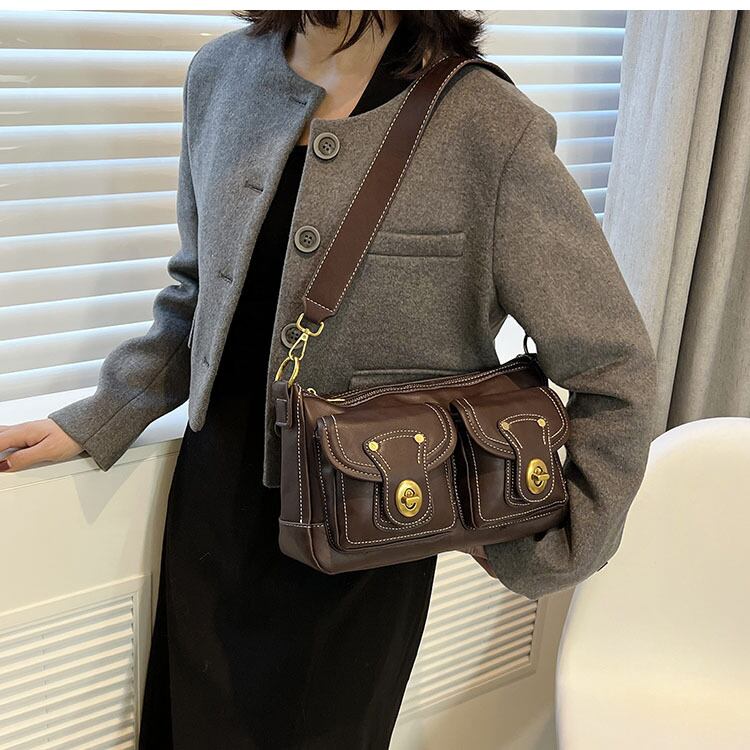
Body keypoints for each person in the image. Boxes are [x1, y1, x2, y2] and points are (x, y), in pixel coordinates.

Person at [0, 10, 657, 749]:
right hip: (213, 511)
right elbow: (199, 293)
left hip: (368, 533)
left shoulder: (488, 126)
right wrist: (101, 414)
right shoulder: (220, 76)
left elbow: (613, 364)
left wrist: (553, 544)